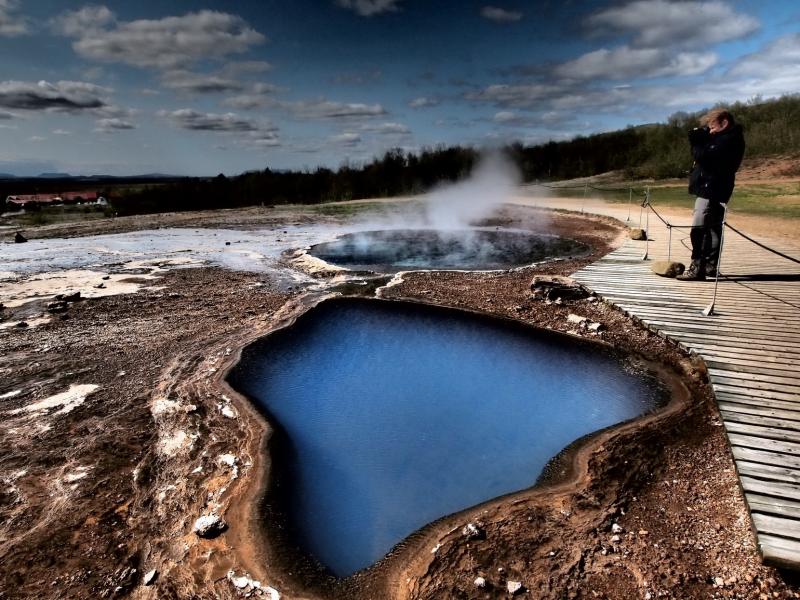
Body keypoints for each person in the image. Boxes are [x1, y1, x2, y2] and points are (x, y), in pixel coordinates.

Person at [677, 108, 745, 281]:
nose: (710, 130)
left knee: (699, 228)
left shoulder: (729, 140)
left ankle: (697, 267)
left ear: (724, 123)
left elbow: (704, 156)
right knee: (714, 228)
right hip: (717, 188)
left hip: (711, 189)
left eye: (712, 126)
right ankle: (710, 267)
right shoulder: (728, 138)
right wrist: (705, 137)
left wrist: (696, 142)